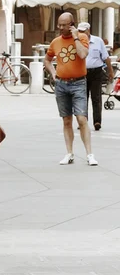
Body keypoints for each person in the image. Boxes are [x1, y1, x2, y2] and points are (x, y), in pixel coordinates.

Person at [44, 12, 97, 166]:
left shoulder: (82, 38)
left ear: (72, 24)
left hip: (79, 83)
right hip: (61, 84)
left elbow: (82, 54)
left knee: (82, 119)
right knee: (66, 120)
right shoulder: (55, 42)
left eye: (64, 25)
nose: (60, 28)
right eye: (59, 24)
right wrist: (53, 73)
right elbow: (47, 60)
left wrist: (75, 37)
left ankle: (89, 154)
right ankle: (69, 153)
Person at [78, 22, 114, 131]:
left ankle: (97, 121)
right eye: (79, 31)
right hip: (82, 73)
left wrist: (111, 71)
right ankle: (82, 122)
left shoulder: (98, 41)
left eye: (83, 31)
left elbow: (105, 57)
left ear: (88, 30)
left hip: (96, 72)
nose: (81, 33)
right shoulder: (76, 41)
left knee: (96, 98)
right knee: (82, 98)